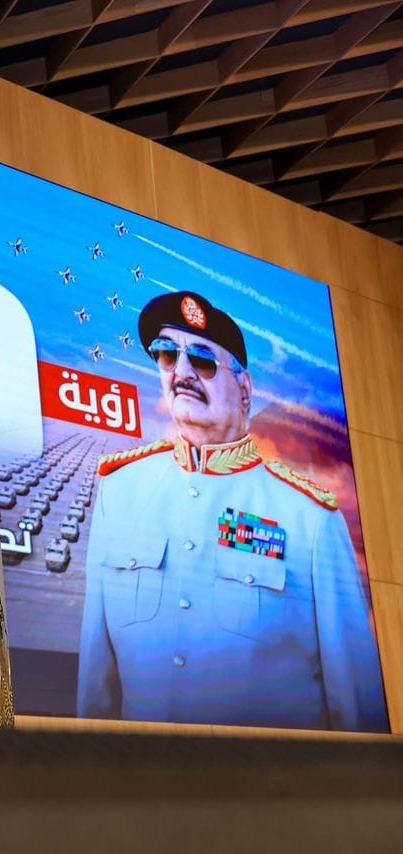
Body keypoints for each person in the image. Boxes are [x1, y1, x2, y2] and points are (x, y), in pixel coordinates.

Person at [76, 290, 388, 732]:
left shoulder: (309, 519)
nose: (182, 372)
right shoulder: (120, 491)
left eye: (202, 360)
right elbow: (96, 688)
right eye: (167, 355)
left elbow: (358, 710)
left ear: (244, 390)